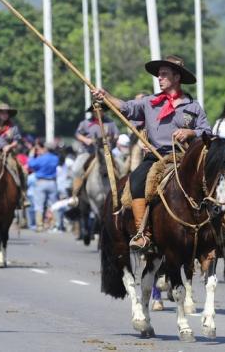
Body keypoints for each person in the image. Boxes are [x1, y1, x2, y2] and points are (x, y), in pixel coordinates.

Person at [92, 55, 210, 250]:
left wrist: (190, 132)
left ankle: (219, 233)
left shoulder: (193, 105)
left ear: (177, 77)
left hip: (184, 157)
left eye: (164, 74)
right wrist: (106, 95)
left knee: (212, 184)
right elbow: (126, 108)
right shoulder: (150, 102)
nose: (160, 78)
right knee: (136, 179)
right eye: (159, 75)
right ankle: (142, 233)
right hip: (156, 157)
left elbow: (208, 132)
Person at [71, 104, 120, 200]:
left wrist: (112, 138)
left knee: (121, 167)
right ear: (92, 112)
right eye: (95, 111)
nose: (98, 112)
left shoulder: (110, 122)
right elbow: (77, 134)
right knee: (77, 168)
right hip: (89, 152)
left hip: (106, 153)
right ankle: (75, 195)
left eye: (100, 110)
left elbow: (116, 135)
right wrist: (86, 140)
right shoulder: (85, 123)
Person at [0, 103, 28, 207]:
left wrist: (9, 147)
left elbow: (16, 141)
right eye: (2, 113)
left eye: (7, 113)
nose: (5, 115)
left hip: (6, 153)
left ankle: (22, 195)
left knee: (20, 170)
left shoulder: (13, 128)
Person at [28, 138, 59, 232]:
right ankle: (54, 224)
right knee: (53, 205)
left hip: (41, 182)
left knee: (39, 205)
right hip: (52, 182)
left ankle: (39, 225)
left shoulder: (41, 158)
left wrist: (31, 155)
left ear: (46, 149)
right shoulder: (55, 158)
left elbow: (31, 164)